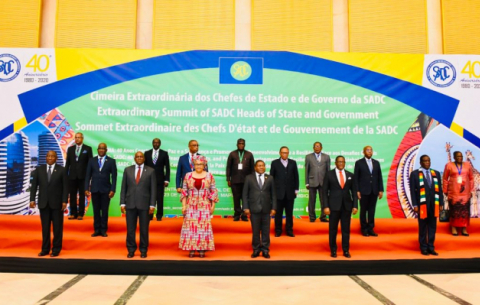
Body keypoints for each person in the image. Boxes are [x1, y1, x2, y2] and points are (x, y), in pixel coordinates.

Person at [29, 151, 68, 257]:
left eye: (52, 156)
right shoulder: (39, 170)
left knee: (57, 228)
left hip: (57, 204)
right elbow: (34, 187)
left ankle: (56, 249)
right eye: (48, 156)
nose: (50, 158)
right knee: (45, 228)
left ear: (56, 158)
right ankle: (45, 249)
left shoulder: (62, 170)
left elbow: (65, 187)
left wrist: (64, 201)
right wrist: (32, 200)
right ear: (46, 158)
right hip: (43, 204)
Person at [179, 155, 218, 258]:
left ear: (205, 165)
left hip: (204, 205)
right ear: (193, 165)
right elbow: (184, 192)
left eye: (201, 164)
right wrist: (183, 206)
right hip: (191, 205)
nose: (198, 166)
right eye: (196, 164)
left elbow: (213, 191)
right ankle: (191, 248)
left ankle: (201, 248)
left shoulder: (210, 176)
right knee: (191, 228)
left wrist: (212, 206)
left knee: (203, 228)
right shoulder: (188, 175)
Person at [120, 152, 157, 258]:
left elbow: (153, 189)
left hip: (145, 205)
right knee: (130, 229)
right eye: (137, 157)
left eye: (141, 157)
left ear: (144, 158)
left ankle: (143, 250)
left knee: (144, 229)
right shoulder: (128, 170)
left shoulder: (150, 171)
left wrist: (152, 205)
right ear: (134, 158)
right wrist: (122, 202)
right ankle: (131, 249)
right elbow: (123, 188)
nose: (139, 158)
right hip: (130, 204)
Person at [323, 156, 358, 258]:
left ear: (345, 163)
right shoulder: (329, 174)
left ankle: (346, 250)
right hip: (333, 207)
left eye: (343, 162)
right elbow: (324, 192)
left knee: (346, 230)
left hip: (347, 207)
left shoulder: (350, 175)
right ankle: (333, 250)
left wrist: (355, 205)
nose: (341, 163)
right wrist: (325, 206)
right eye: (339, 162)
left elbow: (354, 192)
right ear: (335, 163)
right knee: (333, 230)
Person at [410, 155, 444, 255]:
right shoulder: (415, 174)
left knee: (433, 227)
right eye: (425, 161)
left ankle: (431, 247)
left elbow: (440, 190)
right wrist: (415, 205)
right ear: (420, 163)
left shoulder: (436, 173)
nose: (427, 162)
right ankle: (423, 247)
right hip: (421, 205)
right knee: (423, 227)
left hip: (434, 204)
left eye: (428, 161)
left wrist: (441, 203)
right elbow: (412, 191)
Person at [243, 160, 277, 259]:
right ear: (255, 167)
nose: (261, 167)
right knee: (256, 231)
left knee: (266, 231)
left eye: (263, 165)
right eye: (259, 166)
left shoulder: (270, 178)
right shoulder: (249, 178)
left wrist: (274, 208)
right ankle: (256, 250)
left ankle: (265, 250)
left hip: (267, 209)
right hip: (254, 209)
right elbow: (245, 194)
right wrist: (246, 207)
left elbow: (273, 194)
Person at [85, 143, 117, 237]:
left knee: (104, 211)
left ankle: (103, 230)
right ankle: (96, 230)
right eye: (100, 148)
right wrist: (86, 188)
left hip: (106, 190)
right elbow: (88, 175)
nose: (101, 150)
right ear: (97, 150)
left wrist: (112, 190)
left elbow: (114, 177)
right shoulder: (91, 161)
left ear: (106, 150)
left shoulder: (111, 161)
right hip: (94, 189)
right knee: (96, 211)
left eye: (103, 148)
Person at [354, 145, 384, 237]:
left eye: (371, 150)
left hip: (374, 191)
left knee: (371, 211)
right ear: (363, 152)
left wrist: (381, 189)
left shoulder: (376, 163)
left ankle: (370, 229)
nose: (369, 152)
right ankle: (364, 229)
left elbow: (379, 177)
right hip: (363, 191)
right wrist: (357, 190)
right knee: (363, 211)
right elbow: (356, 178)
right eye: (367, 150)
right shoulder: (359, 163)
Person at [269, 146, 299, 237]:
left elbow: (296, 177)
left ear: (288, 153)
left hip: (290, 193)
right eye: (283, 152)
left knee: (289, 213)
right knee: (278, 214)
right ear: (280, 153)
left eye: (286, 152)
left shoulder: (293, 163)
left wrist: (296, 189)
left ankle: (289, 230)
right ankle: (278, 230)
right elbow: (271, 178)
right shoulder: (274, 163)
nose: (285, 154)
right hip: (278, 194)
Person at [443, 151, 474, 236]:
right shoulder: (449, 165)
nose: (460, 158)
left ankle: (464, 229)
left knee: (465, 211)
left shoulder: (467, 165)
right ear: (454, 157)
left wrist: (471, 190)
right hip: (453, 192)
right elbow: (445, 179)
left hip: (465, 193)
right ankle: (453, 228)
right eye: (457, 156)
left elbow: (471, 178)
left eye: (461, 156)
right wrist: (445, 190)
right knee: (454, 210)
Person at [65, 132, 93, 220]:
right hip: (72, 176)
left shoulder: (88, 149)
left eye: (79, 137)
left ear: (82, 138)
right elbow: (67, 164)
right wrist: (66, 175)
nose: (77, 139)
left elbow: (90, 164)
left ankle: (81, 213)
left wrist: (89, 176)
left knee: (82, 195)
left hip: (83, 177)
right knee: (72, 195)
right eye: (76, 137)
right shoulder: (70, 149)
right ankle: (73, 213)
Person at [226, 138, 255, 221]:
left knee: (245, 198)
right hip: (235, 180)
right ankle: (237, 214)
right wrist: (228, 178)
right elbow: (228, 167)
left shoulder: (249, 154)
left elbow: (252, 168)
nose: (241, 145)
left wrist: (253, 179)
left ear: (245, 145)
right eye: (240, 144)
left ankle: (244, 215)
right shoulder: (232, 154)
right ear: (237, 144)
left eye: (242, 144)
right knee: (236, 198)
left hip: (246, 181)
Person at [144, 138, 170, 221]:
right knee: (149, 198)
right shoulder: (147, 153)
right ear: (152, 143)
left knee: (159, 198)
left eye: (157, 143)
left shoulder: (164, 153)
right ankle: (150, 215)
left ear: (160, 144)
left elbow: (167, 167)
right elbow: (144, 167)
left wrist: (166, 180)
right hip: (148, 180)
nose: (156, 144)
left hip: (160, 180)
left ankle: (159, 216)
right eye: (154, 143)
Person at [305, 142, 331, 222]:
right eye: (315, 146)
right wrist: (307, 182)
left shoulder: (326, 157)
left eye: (318, 146)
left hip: (323, 182)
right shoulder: (308, 157)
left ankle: (323, 217)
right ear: (313, 147)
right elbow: (307, 170)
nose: (317, 148)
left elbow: (328, 170)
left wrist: (329, 182)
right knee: (312, 200)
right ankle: (312, 217)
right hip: (312, 181)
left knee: (323, 200)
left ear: (321, 147)